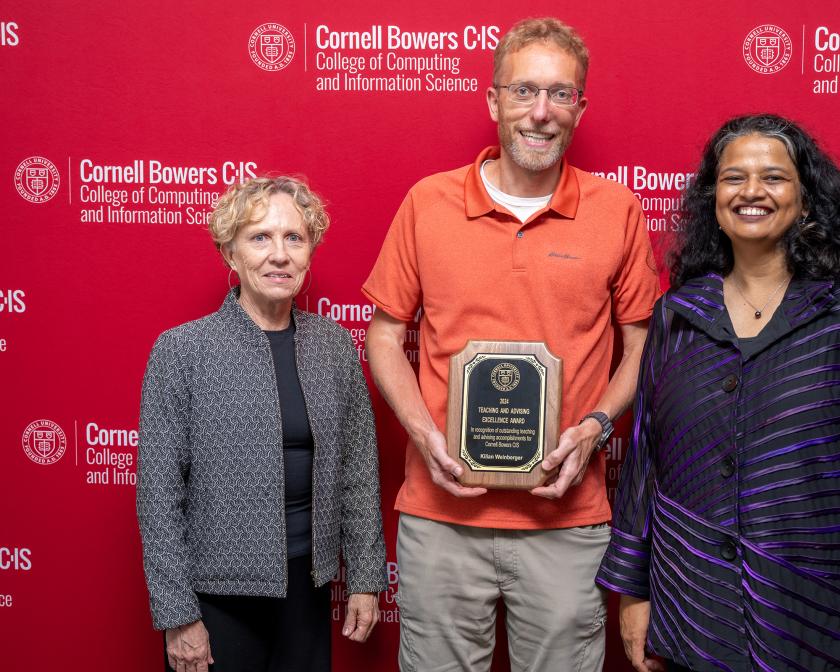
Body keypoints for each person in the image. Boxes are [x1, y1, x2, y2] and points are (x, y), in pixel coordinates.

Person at [363, 17, 660, 672]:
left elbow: (643, 345)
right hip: (442, 518)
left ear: (580, 106)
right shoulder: (427, 203)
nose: (541, 112)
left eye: (560, 94)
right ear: (493, 100)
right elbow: (384, 337)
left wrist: (593, 428)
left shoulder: (618, 210)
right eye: (524, 91)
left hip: (568, 523)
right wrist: (422, 434)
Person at [596, 113, 840, 672]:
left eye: (774, 177)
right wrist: (634, 596)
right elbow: (646, 465)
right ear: (713, 200)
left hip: (807, 611)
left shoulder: (833, 317)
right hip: (693, 605)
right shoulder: (677, 316)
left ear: (805, 201)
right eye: (734, 178)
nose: (752, 191)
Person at [137, 176, 387, 672]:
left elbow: (357, 470)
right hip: (214, 599)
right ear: (231, 254)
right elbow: (158, 493)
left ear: (309, 252)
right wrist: (177, 615)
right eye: (260, 238)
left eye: (293, 238)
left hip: (307, 588)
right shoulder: (182, 350)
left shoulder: (333, 345)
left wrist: (363, 576)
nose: (279, 254)